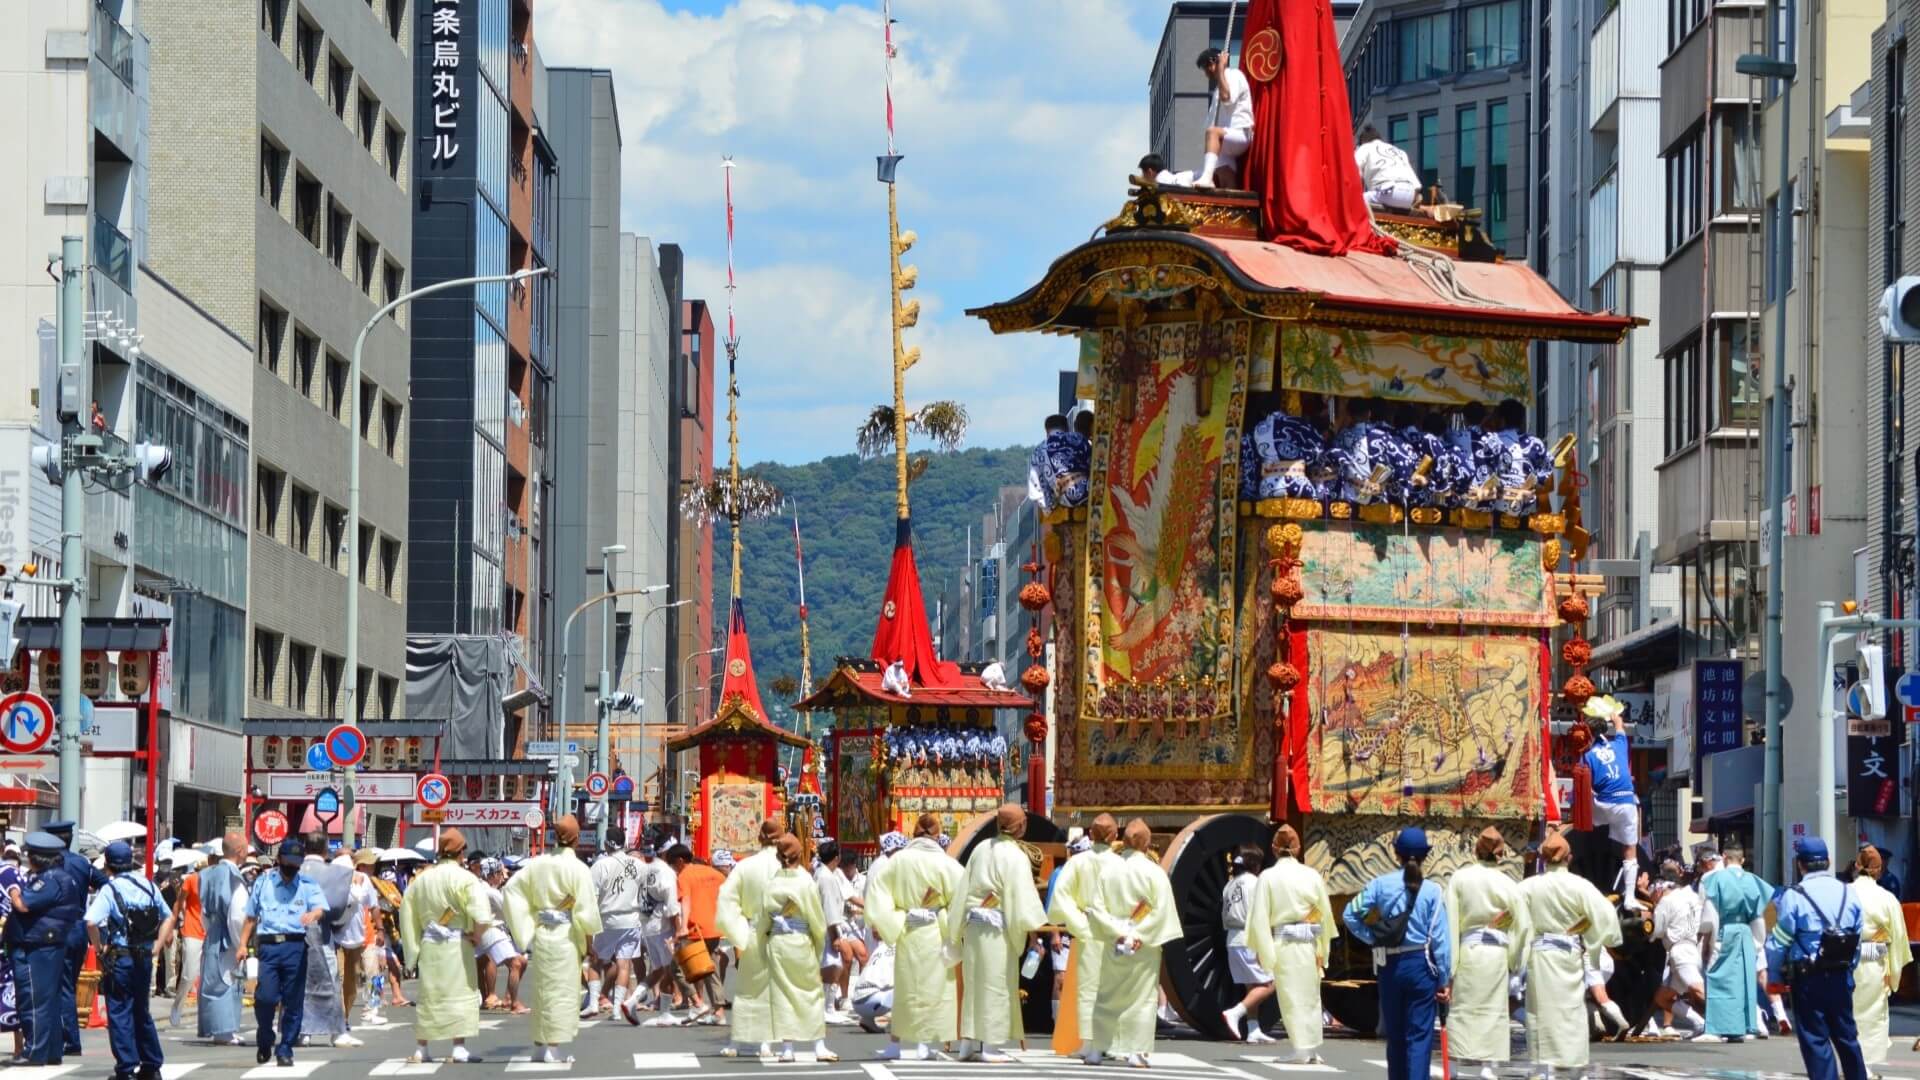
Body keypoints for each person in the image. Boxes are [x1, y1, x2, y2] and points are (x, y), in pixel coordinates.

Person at [1342, 827, 1452, 1080]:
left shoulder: (1380, 885)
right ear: (1425, 855)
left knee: (1396, 1036)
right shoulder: (1433, 891)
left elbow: (1350, 914)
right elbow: (1440, 939)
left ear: (1396, 854)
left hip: (1389, 963)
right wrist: (1444, 978)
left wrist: (1373, 938)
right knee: (1419, 1036)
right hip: (1421, 964)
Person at [1517, 829, 1622, 1079]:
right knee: (1571, 1013)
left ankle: (1543, 1070)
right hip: (1569, 953)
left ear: (1543, 858)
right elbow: (1606, 916)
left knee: (1540, 1013)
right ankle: (1575, 1069)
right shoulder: (1580, 886)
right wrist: (1588, 932)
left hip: (1540, 954)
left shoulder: (1529, 886)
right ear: (1569, 858)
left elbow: (1511, 918)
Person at [1081, 819, 1182, 1069]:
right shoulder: (1153, 872)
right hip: (1142, 944)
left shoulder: (1108, 870)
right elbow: (1162, 911)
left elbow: (1096, 908)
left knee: (1106, 995)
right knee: (1141, 999)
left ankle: (1096, 1049)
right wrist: (1137, 934)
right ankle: (1136, 1052)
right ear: (1147, 843)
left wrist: (1118, 933)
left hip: (1114, 939)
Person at [951, 804, 1048, 1063]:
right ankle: (991, 1047)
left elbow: (963, 889)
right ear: (1019, 826)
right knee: (996, 985)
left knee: (974, 984)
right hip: (997, 931)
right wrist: (1033, 935)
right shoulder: (1016, 856)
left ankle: (968, 1044)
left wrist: (955, 927)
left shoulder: (981, 849)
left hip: (973, 927)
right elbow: (1022, 899)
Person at [502, 814, 602, 1064]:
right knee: (562, 993)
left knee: (542, 991)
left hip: (543, 934)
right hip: (566, 937)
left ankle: (539, 1045)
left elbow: (511, 889)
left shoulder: (537, 864)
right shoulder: (578, 868)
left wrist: (529, 921)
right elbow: (587, 911)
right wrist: (590, 946)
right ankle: (553, 1048)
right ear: (576, 838)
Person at [865, 813, 963, 1061]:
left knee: (905, 989)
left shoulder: (898, 862)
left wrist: (894, 919)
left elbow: (879, 892)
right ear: (938, 834)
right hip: (936, 932)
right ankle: (925, 1045)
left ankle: (895, 1044)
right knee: (935, 990)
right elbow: (963, 899)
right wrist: (945, 918)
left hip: (908, 930)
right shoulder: (948, 864)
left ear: (915, 833)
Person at [1769, 835, 1868, 1080]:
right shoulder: (1848, 892)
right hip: (1840, 975)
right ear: (1828, 861)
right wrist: (1848, 972)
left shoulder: (1794, 895)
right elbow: (1857, 940)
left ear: (1800, 864)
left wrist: (1772, 975)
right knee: (1847, 1038)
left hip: (1808, 979)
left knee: (1816, 1040)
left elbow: (1779, 942)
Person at [396, 828, 490, 1064]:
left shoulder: (422, 879)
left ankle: (422, 1048)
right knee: (460, 993)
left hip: (430, 944)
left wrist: (412, 951)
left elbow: (407, 914)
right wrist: (477, 936)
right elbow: (482, 914)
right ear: (461, 853)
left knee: (429, 995)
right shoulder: (466, 878)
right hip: (457, 943)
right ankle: (458, 1047)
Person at [1442, 827, 1529, 1080]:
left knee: (1463, 1007)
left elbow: (1451, 921)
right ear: (1500, 855)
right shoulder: (1508, 883)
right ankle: (1488, 1066)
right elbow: (1522, 925)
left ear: (1475, 850)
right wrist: (1514, 959)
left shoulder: (1460, 878)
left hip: (1470, 949)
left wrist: (1451, 965)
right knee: (1494, 1009)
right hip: (1497, 952)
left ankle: (1456, 1063)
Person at [1245, 824, 1334, 1065]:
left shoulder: (1268, 877)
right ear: (1297, 848)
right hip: (1309, 942)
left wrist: (1262, 950)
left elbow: (1260, 917)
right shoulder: (1311, 875)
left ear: (1274, 849)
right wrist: (1322, 948)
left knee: (1291, 995)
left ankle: (1301, 1048)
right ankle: (1311, 1047)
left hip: (1284, 941)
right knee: (1310, 995)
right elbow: (1324, 913)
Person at [86, 840, 175, 1080]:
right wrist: (156, 945)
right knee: (141, 1011)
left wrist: (99, 948)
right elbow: (168, 917)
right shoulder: (148, 885)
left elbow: (92, 922)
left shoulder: (110, 889)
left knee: (119, 1012)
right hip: (144, 956)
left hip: (121, 957)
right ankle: (151, 1064)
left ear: (108, 865)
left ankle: (126, 1067)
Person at [237, 839, 328, 1067]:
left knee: (293, 1001)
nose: (292, 867)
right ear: (279, 859)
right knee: (265, 997)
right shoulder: (263, 882)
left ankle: (285, 1047)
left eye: (296, 863)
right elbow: (250, 917)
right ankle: (265, 1035)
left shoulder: (307, 884)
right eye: (288, 862)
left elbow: (320, 908)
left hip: (295, 946)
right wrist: (241, 945)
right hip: (268, 946)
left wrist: (313, 915)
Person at [1046, 813, 1121, 1061]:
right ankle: (1109, 1041)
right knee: (1112, 988)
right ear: (1115, 836)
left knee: (1087, 988)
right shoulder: (1120, 864)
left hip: (1088, 930)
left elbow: (1061, 896)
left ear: (1090, 835)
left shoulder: (1078, 863)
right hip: (1112, 933)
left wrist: (1078, 923)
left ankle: (1089, 1042)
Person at [9, 833, 85, 1066]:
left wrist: (12, 888)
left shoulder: (49, 879)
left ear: (38, 859)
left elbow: (22, 905)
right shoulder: (60, 877)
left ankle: (35, 1051)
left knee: (33, 999)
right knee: (47, 1000)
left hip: (38, 945)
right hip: (46, 944)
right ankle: (51, 1051)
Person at [762, 834, 837, 1063]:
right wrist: (818, 944)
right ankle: (818, 1045)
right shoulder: (805, 881)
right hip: (801, 940)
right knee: (811, 992)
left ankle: (787, 1048)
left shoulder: (773, 882)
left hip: (778, 941)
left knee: (782, 994)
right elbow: (817, 919)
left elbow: (764, 916)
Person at [716, 819, 784, 1058]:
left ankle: (737, 1042)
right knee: (774, 990)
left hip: (753, 931)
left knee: (746, 989)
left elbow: (726, 899)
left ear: (759, 839)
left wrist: (737, 930)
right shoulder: (787, 865)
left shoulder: (745, 866)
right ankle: (767, 1042)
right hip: (783, 933)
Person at [45, 819, 106, 1060]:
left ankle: (68, 1039)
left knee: (60, 987)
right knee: (67, 984)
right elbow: (105, 884)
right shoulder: (82, 863)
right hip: (79, 928)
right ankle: (65, 1037)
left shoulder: (48, 863)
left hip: (55, 929)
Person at [1581, 695, 1643, 909]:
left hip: (1603, 805)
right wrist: (1611, 713)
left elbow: (1584, 784)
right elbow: (1619, 723)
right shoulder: (1619, 744)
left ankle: (1589, 830)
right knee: (1629, 847)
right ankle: (1629, 897)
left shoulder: (1587, 756)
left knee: (1586, 815)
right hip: (1625, 802)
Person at [296, 833, 356, 1047]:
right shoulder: (334, 873)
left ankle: (301, 1032)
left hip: (293, 933)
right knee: (329, 981)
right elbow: (343, 904)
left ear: (304, 848)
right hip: (321, 931)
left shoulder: (291, 870)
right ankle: (337, 1032)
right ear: (325, 850)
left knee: (298, 983)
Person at [1852, 845, 1908, 1072]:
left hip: (1844, 963)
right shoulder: (1887, 898)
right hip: (1874, 962)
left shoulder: (1844, 893)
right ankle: (1863, 1066)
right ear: (1879, 870)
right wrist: (1893, 972)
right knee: (1872, 1017)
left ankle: (1851, 1063)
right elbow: (1899, 938)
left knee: (1847, 1015)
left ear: (1856, 866)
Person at [1219, 844, 1276, 1044]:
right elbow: (1262, 913)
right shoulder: (1255, 883)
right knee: (1269, 984)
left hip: (1232, 939)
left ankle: (1253, 1028)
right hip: (1250, 937)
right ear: (1255, 865)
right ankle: (1236, 1012)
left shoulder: (1230, 884)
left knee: (1252, 985)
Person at [196, 831, 249, 1046]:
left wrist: (212, 931)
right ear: (239, 851)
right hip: (229, 936)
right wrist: (240, 943)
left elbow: (203, 913)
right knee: (227, 982)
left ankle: (221, 1030)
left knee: (213, 981)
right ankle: (224, 1031)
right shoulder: (234, 877)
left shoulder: (207, 874)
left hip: (213, 933)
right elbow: (238, 915)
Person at [668, 845, 726, 1024]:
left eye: (673, 865)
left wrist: (683, 927)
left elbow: (685, 900)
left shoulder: (684, 876)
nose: (673, 869)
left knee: (677, 967)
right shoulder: (714, 874)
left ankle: (697, 1003)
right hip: (715, 927)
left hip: (695, 929)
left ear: (680, 861)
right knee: (711, 970)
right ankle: (719, 1012)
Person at [586, 835, 642, 1020]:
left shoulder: (601, 865)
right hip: (631, 919)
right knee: (624, 964)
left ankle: (594, 1002)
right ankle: (617, 1008)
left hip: (608, 918)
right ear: (624, 843)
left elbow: (591, 896)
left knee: (595, 961)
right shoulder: (637, 865)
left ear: (606, 844)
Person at [1651, 860, 1709, 1037]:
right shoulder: (1692, 896)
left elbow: (1658, 932)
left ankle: (1721, 1022)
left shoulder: (1665, 902)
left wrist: (1653, 909)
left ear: (1660, 888)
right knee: (1662, 997)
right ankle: (1699, 1022)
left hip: (1680, 951)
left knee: (1698, 989)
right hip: (1692, 947)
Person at [633, 839, 686, 1025]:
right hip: (663, 926)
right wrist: (679, 929)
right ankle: (664, 1012)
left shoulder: (646, 869)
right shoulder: (667, 872)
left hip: (647, 925)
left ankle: (632, 1000)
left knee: (659, 971)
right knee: (669, 970)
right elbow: (672, 906)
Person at [813, 840, 865, 1025]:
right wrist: (835, 934)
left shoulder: (827, 873)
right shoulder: (826, 877)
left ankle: (828, 1006)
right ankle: (827, 1006)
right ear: (836, 858)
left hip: (831, 926)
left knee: (834, 966)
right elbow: (829, 907)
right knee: (832, 966)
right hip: (829, 927)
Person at [1193, 47, 1253, 189]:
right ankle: (1232, 206)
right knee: (1225, 174)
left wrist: (1220, 69)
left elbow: (1227, 98)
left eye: (1206, 68)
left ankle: (1207, 178)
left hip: (1240, 134)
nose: (1206, 74)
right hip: (1225, 140)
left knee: (1212, 132)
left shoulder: (1233, 75)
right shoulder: (1217, 89)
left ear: (1213, 62)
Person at [336, 848, 378, 1021]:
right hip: (343, 938)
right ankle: (341, 1016)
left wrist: (380, 930)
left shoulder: (367, 881)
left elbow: (374, 906)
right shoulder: (338, 879)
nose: (373, 868)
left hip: (367, 936)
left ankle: (373, 1006)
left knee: (374, 974)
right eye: (369, 865)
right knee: (344, 978)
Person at [167, 850, 205, 1030]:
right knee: (189, 973)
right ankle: (177, 1006)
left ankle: (205, 1014)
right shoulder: (191, 880)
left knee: (207, 977)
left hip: (212, 933)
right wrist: (174, 923)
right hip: (192, 930)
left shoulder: (220, 882)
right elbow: (178, 901)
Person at [1354, 125, 1422, 211]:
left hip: (1388, 192)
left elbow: (1355, 173)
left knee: (1355, 201)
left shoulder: (1364, 147)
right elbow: (1417, 186)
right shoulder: (1399, 151)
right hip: (1410, 196)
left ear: (1362, 141)